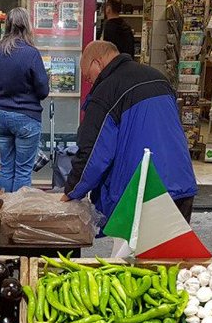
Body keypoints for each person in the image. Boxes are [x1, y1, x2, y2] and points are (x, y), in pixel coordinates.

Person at [63, 40, 197, 223]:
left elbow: (92, 153)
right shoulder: (158, 77)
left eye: (88, 77)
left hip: (144, 190)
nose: (90, 82)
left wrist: (70, 192)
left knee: (138, 251)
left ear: (97, 62)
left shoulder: (107, 91)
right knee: (173, 251)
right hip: (182, 183)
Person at [0, 7, 49, 193]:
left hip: (2, 116)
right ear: (27, 26)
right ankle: (16, 215)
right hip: (27, 117)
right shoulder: (31, 53)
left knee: (5, 168)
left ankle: (2, 211)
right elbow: (43, 90)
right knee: (23, 170)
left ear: (7, 26)